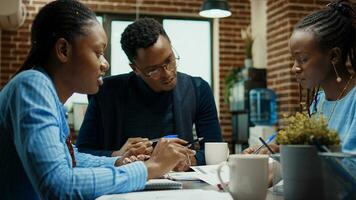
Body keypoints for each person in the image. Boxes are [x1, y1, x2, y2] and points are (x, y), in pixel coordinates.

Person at [0, 1, 195, 199]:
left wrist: (118, 161)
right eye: (98, 53)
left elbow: (70, 159)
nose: (105, 64)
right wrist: (150, 168)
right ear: (63, 50)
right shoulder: (32, 85)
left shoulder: (47, 96)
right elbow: (59, 185)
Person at [76, 18, 223, 170]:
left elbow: (216, 153)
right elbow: (80, 155)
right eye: (153, 70)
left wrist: (187, 159)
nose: (167, 73)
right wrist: (117, 155)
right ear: (136, 69)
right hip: (124, 186)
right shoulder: (106, 93)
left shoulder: (198, 89)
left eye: (169, 59)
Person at [245, 0, 356, 177]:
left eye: (303, 59)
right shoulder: (318, 102)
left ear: (334, 56)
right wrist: (280, 149)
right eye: (294, 60)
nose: (294, 68)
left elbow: (350, 169)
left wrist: (287, 163)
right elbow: (312, 154)